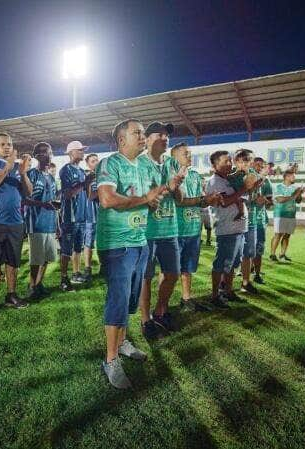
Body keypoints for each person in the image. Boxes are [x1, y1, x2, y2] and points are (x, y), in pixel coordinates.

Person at [97, 119, 166, 389]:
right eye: (137, 132)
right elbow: (107, 199)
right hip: (117, 244)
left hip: (140, 242)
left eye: (143, 133)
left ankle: (123, 342)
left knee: (130, 301)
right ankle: (111, 360)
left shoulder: (143, 166)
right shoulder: (110, 163)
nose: (143, 136)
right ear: (121, 139)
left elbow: (145, 200)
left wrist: (152, 202)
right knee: (118, 300)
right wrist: (145, 200)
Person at [137, 122, 186, 340]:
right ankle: (145, 320)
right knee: (145, 278)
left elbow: (181, 198)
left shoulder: (171, 163)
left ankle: (160, 310)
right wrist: (168, 186)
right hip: (146, 231)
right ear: (147, 139)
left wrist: (176, 188)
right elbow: (145, 200)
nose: (165, 138)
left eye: (167, 135)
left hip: (170, 229)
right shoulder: (137, 164)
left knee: (173, 273)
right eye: (160, 134)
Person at [0, 133, 33, 316]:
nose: (7, 147)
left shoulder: (18, 167)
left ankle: (11, 295)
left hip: (16, 222)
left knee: (13, 261)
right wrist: (6, 169)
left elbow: (28, 193)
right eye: (2, 144)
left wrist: (23, 173)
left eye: (9, 144)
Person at [206, 150, 257, 306]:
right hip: (227, 229)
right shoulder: (215, 182)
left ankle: (228, 291)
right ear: (215, 165)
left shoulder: (228, 180)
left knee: (233, 264)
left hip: (238, 229)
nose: (230, 164)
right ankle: (215, 295)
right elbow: (225, 202)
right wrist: (244, 188)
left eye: (230, 161)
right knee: (221, 264)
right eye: (225, 161)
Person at [173, 142, 213, 312]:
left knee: (188, 268)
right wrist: (202, 200)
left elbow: (201, 199)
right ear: (174, 157)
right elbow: (178, 201)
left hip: (194, 229)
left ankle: (186, 298)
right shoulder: (172, 176)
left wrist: (209, 199)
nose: (189, 156)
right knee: (170, 271)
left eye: (189, 153)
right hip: (176, 230)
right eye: (185, 154)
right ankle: (162, 306)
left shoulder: (195, 176)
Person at [24, 142, 58, 300]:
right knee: (36, 258)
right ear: (37, 156)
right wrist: (43, 204)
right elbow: (24, 199)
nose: (48, 155)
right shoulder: (31, 174)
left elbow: (53, 200)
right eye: (44, 152)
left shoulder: (51, 177)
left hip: (50, 222)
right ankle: (32, 285)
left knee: (47, 257)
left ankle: (39, 284)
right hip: (36, 222)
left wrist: (58, 224)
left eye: (50, 152)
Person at [229, 149, 261, 294]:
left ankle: (246, 282)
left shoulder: (254, 176)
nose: (243, 164)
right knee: (232, 254)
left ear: (251, 162)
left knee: (248, 253)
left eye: (246, 161)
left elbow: (253, 198)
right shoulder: (231, 178)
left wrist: (257, 196)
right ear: (235, 162)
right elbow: (233, 198)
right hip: (234, 220)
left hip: (251, 220)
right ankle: (225, 283)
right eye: (240, 161)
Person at [59, 141, 89, 290]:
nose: (83, 152)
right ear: (71, 153)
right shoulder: (65, 170)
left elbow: (88, 194)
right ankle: (63, 278)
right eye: (80, 150)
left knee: (78, 248)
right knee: (66, 249)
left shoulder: (83, 172)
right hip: (70, 217)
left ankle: (76, 273)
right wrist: (85, 183)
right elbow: (69, 193)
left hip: (82, 216)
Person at [269, 169, 302, 262]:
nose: (294, 178)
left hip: (291, 215)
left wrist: (299, 194)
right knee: (278, 234)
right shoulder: (278, 187)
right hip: (280, 214)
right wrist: (294, 195)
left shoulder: (294, 188)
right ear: (287, 177)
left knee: (287, 235)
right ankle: (272, 254)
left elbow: (298, 201)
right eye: (293, 176)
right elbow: (280, 200)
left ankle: (282, 254)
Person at [250, 157, 273, 284]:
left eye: (261, 165)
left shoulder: (266, 182)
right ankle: (244, 273)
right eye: (256, 164)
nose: (259, 167)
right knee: (245, 249)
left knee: (259, 249)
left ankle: (257, 274)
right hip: (245, 220)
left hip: (259, 220)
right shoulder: (246, 178)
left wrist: (265, 201)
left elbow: (270, 203)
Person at [82, 153, 100, 281]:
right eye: (93, 161)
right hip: (91, 216)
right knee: (88, 243)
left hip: (104, 216)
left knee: (103, 243)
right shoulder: (89, 178)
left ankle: (104, 267)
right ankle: (87, 269)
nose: (96, 163)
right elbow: (91, 196)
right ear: (88, 164)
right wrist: (104, 190)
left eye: (97, 160)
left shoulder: (105, 176)